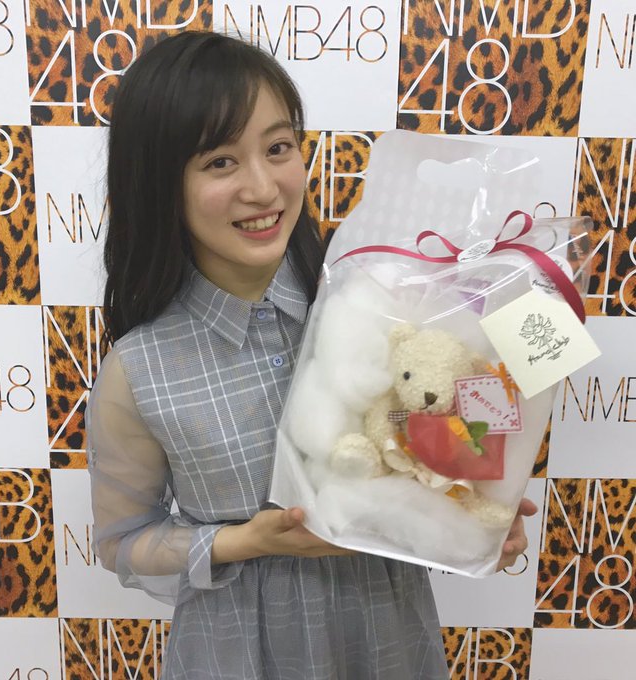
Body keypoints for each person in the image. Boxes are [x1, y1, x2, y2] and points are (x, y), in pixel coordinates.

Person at [87, 30, 534, 679]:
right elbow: (123, 543)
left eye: (278, 148)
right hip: (234, 656)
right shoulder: (139, 369)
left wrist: (476, 508)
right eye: (220, 161)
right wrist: (244, 541)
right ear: (160, 182)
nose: (263, 187)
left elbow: (442, 425)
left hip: (386, 642)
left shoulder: (381, 303)